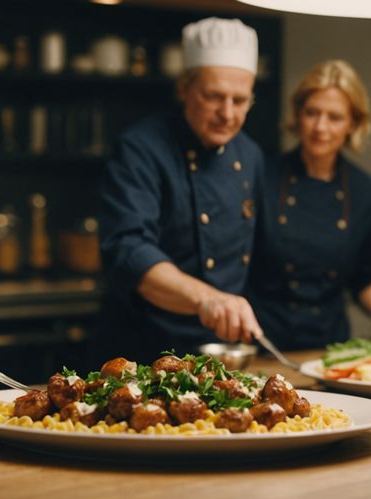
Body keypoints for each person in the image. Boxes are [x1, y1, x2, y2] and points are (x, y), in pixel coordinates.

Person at [95, 18, 266, 364]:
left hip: (220, 353)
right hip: (142, 351)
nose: (227, 113)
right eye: (213, 96)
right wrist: (208, 299)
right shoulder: (141, 148)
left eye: (239, 100)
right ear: (184, 88)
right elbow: (129, 250)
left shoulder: (250, 155)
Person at [248, 59, 371, 350]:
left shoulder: (365, 191)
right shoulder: (261, 176)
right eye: (312, 113)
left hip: (329, 347)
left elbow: (369, 274)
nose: (320, 127)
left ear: (353, 123)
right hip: (263, 343)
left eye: (334, 117)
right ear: (298, 114)